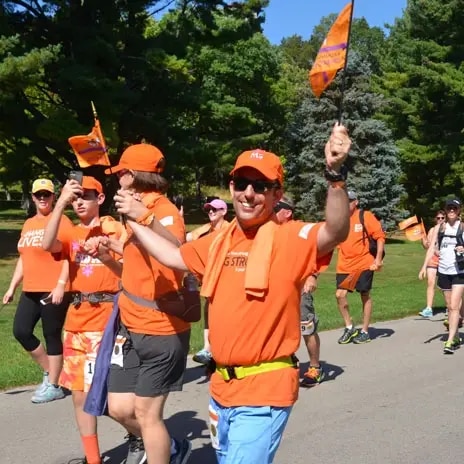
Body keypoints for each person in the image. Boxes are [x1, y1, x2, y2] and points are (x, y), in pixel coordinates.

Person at [112, 124, 351, 463]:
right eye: (241, 184)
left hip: (265, 390)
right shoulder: (217, 242)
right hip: (221, 391)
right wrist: (137, 220)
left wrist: (335, 176)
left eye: (260, 186)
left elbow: (335, 230)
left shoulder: (292, 238)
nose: (248, 193)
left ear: (275, 193)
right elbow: (172, 256)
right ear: (231, 187)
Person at [100, 144, 191, 464]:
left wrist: (146, 217)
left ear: (133, 175)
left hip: (160, 329)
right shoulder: (134, 209)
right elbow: (140, 265)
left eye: (121, 172)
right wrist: (109, 249)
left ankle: (163, 451)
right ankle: (170, 447)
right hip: (129, 323)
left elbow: (178, 254)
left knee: (146, 413)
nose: (117, 178)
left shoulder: (162, 210)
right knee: (119, 408)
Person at [42, 176, 123, 464]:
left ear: (100, 199)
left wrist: (107, 244)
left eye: (85, 196)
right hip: (76, 324)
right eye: (75, 197)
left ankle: (144, 433)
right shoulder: (71, 232)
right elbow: (46, 243)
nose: (79, 201)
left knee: (115, 400)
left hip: (108, 321)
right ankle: (93, 459)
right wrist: (60, 201)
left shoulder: (113, 226)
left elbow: (130, 264)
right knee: (79, 396)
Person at [3, 178, 73, 403]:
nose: (43, 198)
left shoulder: (62, 221)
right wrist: (12, 287)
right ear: (33, 197)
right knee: (21, 330)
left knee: (51, 334)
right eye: (38, 195)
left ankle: (54, 385)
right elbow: (24, 258)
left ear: (54, 197)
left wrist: (61, 285)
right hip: (31, 288)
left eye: (47, 194)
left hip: (53, 288)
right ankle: (52, 374)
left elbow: (69, 256)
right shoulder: (29, 223)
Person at [274, 196, 325, 387]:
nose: (272, 210)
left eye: (277, 208)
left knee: (306, 327)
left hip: (300, 285)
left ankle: (314, 367)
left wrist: (313, 275)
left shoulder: (301, 229)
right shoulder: (268, 230)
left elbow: (322, 246)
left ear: (287, 212)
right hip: (277, 288)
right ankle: (285, 364)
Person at [335, 190, 386, 344]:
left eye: (349, 201)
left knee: (364, 295)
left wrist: (377, 259)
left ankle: (364, 331)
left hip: (364, 263)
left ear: (355, 202)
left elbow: (380, 237)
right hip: (345, 265)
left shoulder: (365, 216)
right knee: (340, 295)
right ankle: (349, 327)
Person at [419, 198, 464, 354]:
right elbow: (431, 249)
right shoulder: (440, 228)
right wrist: (424, 267)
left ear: (459, 211)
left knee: (453, 306)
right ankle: (457, 335)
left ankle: (450, 340)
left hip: (459, 272)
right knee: (449, 305)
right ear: (446, 210)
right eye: (449, 208)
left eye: (454, 208)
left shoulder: (463, 227)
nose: (452, 211)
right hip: (443, 271)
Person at [188, 198, 229, 366]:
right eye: (209, 210)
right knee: (208, 310)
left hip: (227, 277)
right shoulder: (208, 228)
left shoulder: (230, 228)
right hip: (210, 278)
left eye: (215, 209)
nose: (211, 212)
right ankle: (207, 348)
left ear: (223, 212)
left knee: (224, 313)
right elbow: (189, 237)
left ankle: (223, 347)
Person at [418, 210, 445, 318]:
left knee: (445, 285)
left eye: (442, 218)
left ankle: (450, 307)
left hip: (444, 259)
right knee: (430, 282)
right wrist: (423, 240)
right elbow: (427, 246)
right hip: (432, 258)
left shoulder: (448, 230)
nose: (440, 220)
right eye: (438, 218)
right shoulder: (432, 230)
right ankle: (429, 308)